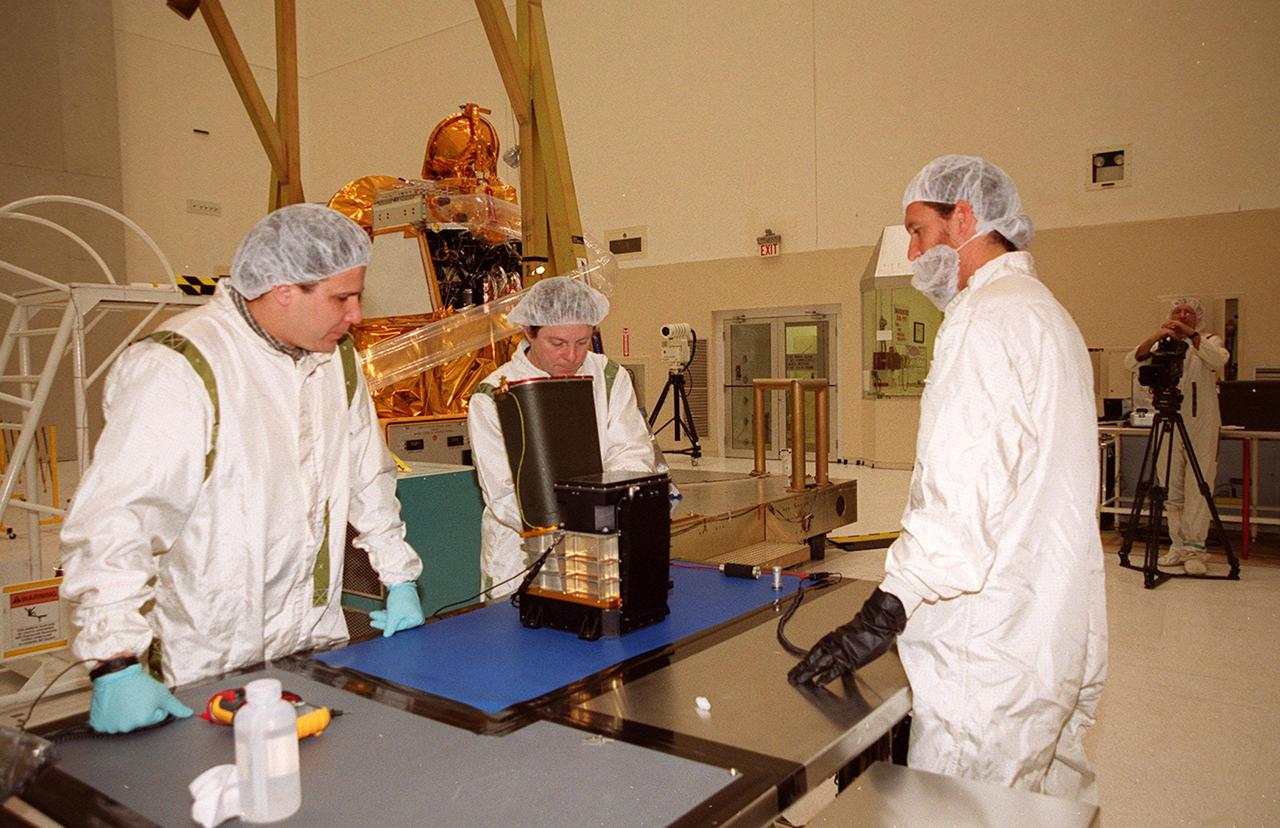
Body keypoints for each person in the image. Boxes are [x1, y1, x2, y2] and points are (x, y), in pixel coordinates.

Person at [788, 155, 1108, 800]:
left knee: (963, 810)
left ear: (963, 218)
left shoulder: (984, 320)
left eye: (916, 230)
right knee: (1036, 807)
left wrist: (888, 606)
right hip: (1051, 626)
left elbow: (963, 491)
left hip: (987, 649)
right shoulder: (1044, 312)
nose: (910, 252)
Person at [61, 204, 426, 734]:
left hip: (310, 649)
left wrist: (398, 575)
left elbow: (367, 477)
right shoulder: (182, 366)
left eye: (357, 297)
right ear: (282, 290)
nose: (357, 317)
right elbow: (117, 524)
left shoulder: (335, 362)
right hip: (201, 662)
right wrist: (115, 661)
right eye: (341, 298)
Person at [467, 276, 666, 597]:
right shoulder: (495, 394)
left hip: (602, 544)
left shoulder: (609, 376)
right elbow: (505, 492)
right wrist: (567, 524)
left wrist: (601, 518)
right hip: (520, 556)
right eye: (557, 343)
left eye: (583, 342)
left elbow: (632, 457)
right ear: (528, 332)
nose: (572, 356)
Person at [1124, 297, 1230, 576]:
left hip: (1201, 422)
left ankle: (1195, 549)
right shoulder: (1162, 344)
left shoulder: (1208, 341)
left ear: (1198, 319)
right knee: (1170, 484)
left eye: (1189, 313)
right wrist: (1158, 335)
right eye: (1177, 311)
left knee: (1199, 483)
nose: (1182, 315)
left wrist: (1192, 336)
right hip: (1169, 419)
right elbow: (1131, 361)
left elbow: (1217, 360)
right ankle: (1178, 545)